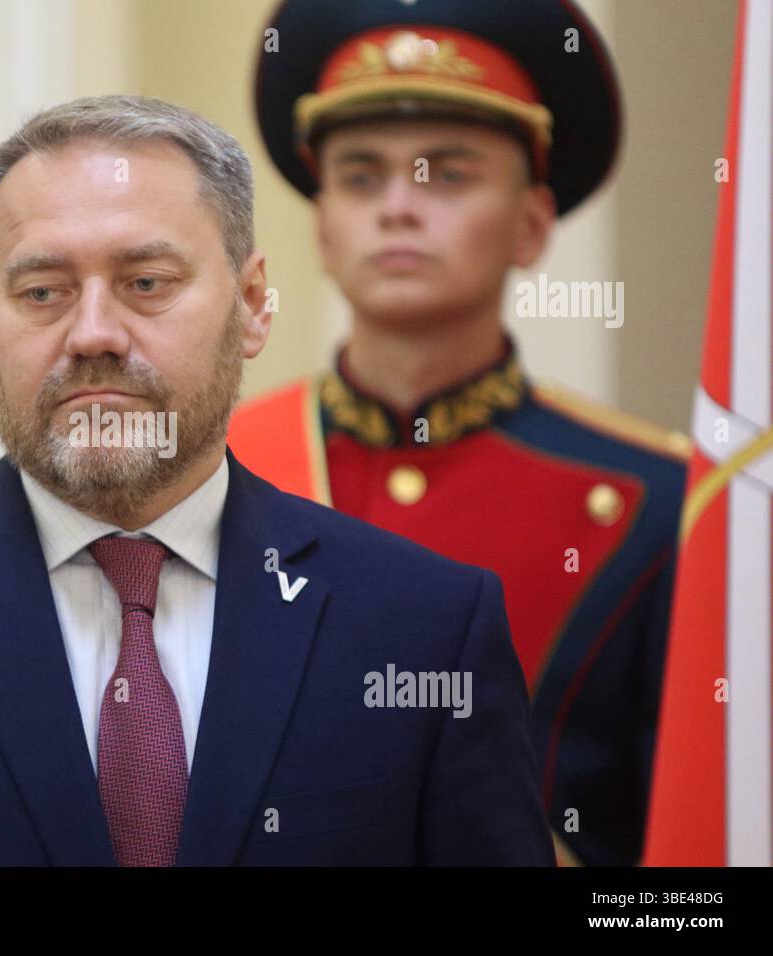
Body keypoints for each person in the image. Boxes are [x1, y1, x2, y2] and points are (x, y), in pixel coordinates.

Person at [0, 94, 553, 866]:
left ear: (251, 305)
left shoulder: (425, 626)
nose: (94, 332)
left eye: (145, 282)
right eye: (43, 292)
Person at [230, 0, 689, 866]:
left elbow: (689, 874)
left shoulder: (658, 502)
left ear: (532, 224)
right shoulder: (214, 469)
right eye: (361, 176)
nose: (399, 206)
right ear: (322, 225)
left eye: (447, 175)